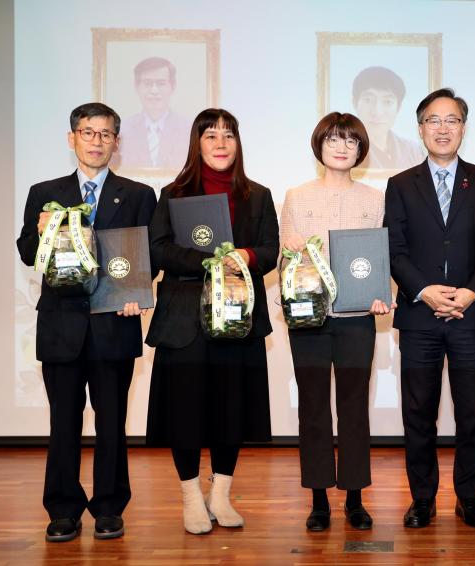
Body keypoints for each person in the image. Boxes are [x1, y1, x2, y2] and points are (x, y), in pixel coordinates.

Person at [16, 102, 157, 542]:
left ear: (117, 142)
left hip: (115, 322)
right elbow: (26, 252)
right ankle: (62, 508)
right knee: (63, 421)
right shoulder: (45, 192)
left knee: (112, 421)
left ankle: (110, 507)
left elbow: (144, 259)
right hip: (61, 325)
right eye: (87, 132)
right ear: (71, 138)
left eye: (105, 134)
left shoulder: (137, 194)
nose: (96, 141)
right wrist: (41, 231)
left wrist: (136, 295)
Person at [145, 108, 278, 535]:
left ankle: (220, 493)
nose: (221, 143)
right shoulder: (174, 193)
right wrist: (212, 261)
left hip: (238, 317)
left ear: (238, 143)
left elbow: (271, 249)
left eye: (229, 135)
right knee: (184, 410)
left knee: (230, 407)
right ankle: (190, 496)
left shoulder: (258, 195)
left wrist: (246, 256)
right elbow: (158, 249)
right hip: (184, 318)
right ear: (197, 143)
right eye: (210, 135)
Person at [384, 88, 475, 529]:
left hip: (471, 316)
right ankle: (422, 499)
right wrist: (425, 290)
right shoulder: (399, 185)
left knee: (472, 413)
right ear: (420, 129)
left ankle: (469, 499)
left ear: (463, 128)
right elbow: (394, 249)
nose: (442, 128)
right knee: (419, 413)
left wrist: (472, 292)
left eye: (451, 120)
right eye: (433, 120)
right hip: (419, 317)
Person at [280, 112, 393, 532]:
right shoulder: (296, 196)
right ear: (319, 146)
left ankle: (355, 497)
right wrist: (289, 251)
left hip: (357, 318)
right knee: (312, 407)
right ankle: (318, 499)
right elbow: (284, 261)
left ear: (361, 149)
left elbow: (379, 260)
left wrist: (383, 295)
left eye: (350, 140)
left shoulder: (375, 198)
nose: (342, 147)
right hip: (308, 319)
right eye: (333, 140)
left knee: (353, 407)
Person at [117, 57, 191, 171]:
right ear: (137, 86)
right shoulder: (122, 129)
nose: (154, 91)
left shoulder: (189, 129)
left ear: (173, 86)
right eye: (147, 83)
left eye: (161, 84)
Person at [352, 66, 425, 170]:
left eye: (387, 102)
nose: (377, 112)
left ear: (398, 107)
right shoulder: (345, 149)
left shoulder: (412, 150)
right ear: (355, 103)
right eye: (368, 100)